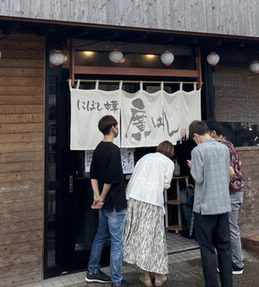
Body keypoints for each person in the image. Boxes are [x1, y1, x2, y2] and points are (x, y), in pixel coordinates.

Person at [85, 115, 131, 287]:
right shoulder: (113, 149)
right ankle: (116, 281)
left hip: (104, 204)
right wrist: (102, 198)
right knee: (117, 242)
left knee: (101, 235)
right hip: (115, 202)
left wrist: (98, 197)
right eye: (116, 126)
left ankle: (92, 271)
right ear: (112, 128)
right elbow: (110, 179)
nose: (117, 129)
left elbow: (93, 175)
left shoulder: (98, 148)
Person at [187, 121, 232, 287]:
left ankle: (212, 284)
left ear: (196, 136)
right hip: (223, 204)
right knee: (224, 247)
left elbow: (198, 178)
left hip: (205, 207)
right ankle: (228, 284)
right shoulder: (223, 148)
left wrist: (192, 167)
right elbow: (228, 173)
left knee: (207, 248)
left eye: (194, 138)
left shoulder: (197, 151)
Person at [124, 141, 175, 287]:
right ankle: (159, 276)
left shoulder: (145, 157)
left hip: (133, 197)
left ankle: (146, 277)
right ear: (171, 152)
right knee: (155, 238)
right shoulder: (168, 163)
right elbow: (165, 185)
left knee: (140, 237)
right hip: (152, 200)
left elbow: (134, 175)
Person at [207, 121, 244, 275]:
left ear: (213, 133)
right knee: (230, 228)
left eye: (206, 133)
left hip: (231, 193)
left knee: (231, 228)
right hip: (235, 191)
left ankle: (237, 264)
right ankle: (233, 262)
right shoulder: (228, 144)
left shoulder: (221, 146)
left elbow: (229, 170)